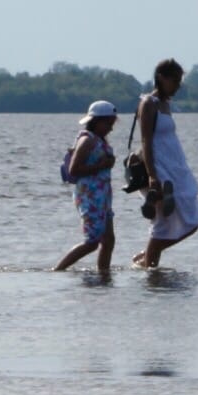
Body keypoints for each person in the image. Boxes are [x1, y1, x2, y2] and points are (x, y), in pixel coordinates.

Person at [132, 58, 198, 269]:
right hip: (158, 167)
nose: (178, 86)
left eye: (180, 81)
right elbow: (146, 140)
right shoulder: (148, 103)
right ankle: (150, 269)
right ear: (161, 78)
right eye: (175, 81)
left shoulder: (165, 104)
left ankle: (148, 257)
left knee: (191, 219)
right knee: (162, 220)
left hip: (175, 166)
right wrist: (153, 175)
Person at [55, 100, 120, 272]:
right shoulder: (87, 140)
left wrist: (108, 162)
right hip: (90, 195)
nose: (111, 128)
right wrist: (102, 165)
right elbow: (74, 169)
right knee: (92, 242)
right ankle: (58, 270)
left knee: (108, 240)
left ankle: (104, 274)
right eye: (108, 124)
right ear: (97, 122)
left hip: (102, 196)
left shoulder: (99, 140)